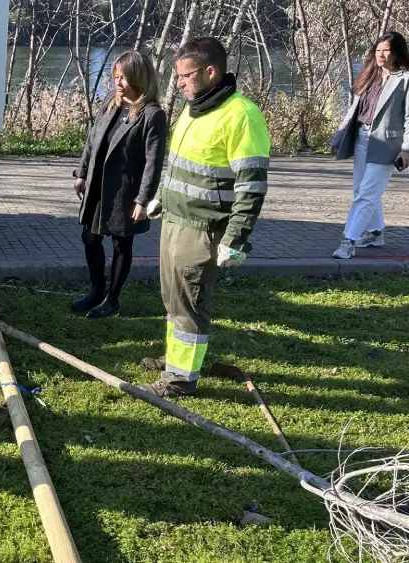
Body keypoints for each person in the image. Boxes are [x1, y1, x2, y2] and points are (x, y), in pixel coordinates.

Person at [139, 37, 271, 398]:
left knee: (189, 305)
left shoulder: (242, 116)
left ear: (210, 72)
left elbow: (252, 186)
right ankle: (175, 361)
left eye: (185, 76)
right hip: (174, 221)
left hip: (203, 229)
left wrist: (235, 239)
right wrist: (161, 199)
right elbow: (184, 165)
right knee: (174, 299)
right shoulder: (195, 107)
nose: (178, 84)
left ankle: (180, 381)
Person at [71, 51, 167, 318]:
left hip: (126, 192)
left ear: (138, 77)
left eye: (123, 77)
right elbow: (92, 141)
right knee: (89, 237)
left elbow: (153, 162)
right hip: (98, 187)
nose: (118, 82)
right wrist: (82, 173)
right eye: (116, 76)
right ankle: (96, 291)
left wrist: (143, 200)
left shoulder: (152, 115)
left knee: (121, 245)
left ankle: (112, 300)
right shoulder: (111, 104)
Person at [330, 31, 409, 259]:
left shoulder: (405, 79)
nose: (381, 55)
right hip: (363, 139)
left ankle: (348, 241)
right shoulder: (370, 76)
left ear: (396, 54)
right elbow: (354, 110)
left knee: (366, 193)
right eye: (378, 50)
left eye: (386, 51)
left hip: (388, 144)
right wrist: (339, 136)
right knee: (361, 191)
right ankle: (375, 233)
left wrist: (406, 149)